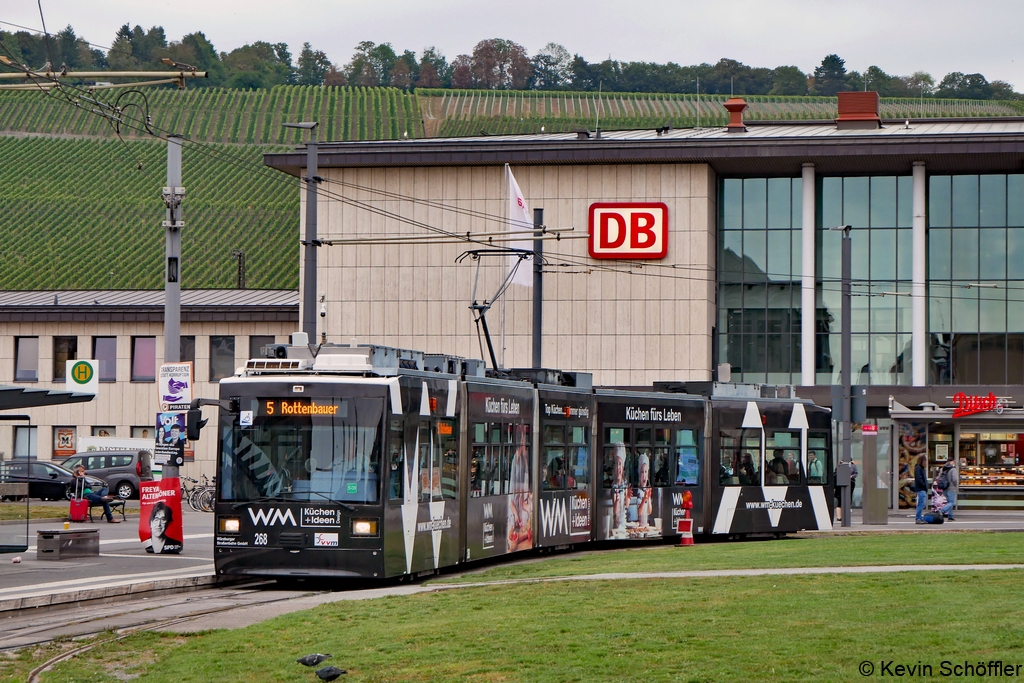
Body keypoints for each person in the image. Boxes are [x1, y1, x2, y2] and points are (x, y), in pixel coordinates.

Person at [913, 453, 929, 523]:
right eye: (925, 461)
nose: (926, 463)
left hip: (922, 488)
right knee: (922, 503)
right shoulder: (918, 468)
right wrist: (924, 485)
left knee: (921, 503)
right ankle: (918, 518)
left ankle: (919, 517)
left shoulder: (921, 468)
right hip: (921, 488)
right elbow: (919, 479)